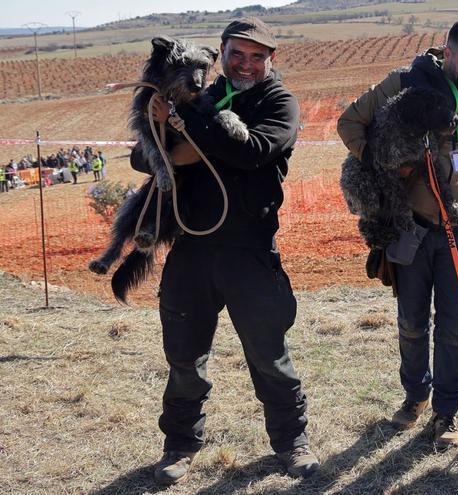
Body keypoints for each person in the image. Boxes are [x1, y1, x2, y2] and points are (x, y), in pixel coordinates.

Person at [134, 17, 318, 484]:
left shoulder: (279, 102)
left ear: (270, 60)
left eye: (258, 56)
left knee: (269, 355)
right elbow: (142, 157)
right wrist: (161, 122)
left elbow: (253, 151)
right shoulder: (199, 92)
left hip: (250, 248)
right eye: (238, 53)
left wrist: (188, 125)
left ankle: (292, 442)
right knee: (183, 354)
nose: (247, 63)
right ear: (221, 51)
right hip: (192, 247)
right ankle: (178, 445)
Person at [337, 19, 458, 447]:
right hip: (408, 226)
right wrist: (385, 161)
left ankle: (446, 414)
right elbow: (349, 124)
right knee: (412, 322)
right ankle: (414, 398)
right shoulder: (404, 83)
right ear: (446, 52)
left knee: (454, 327)